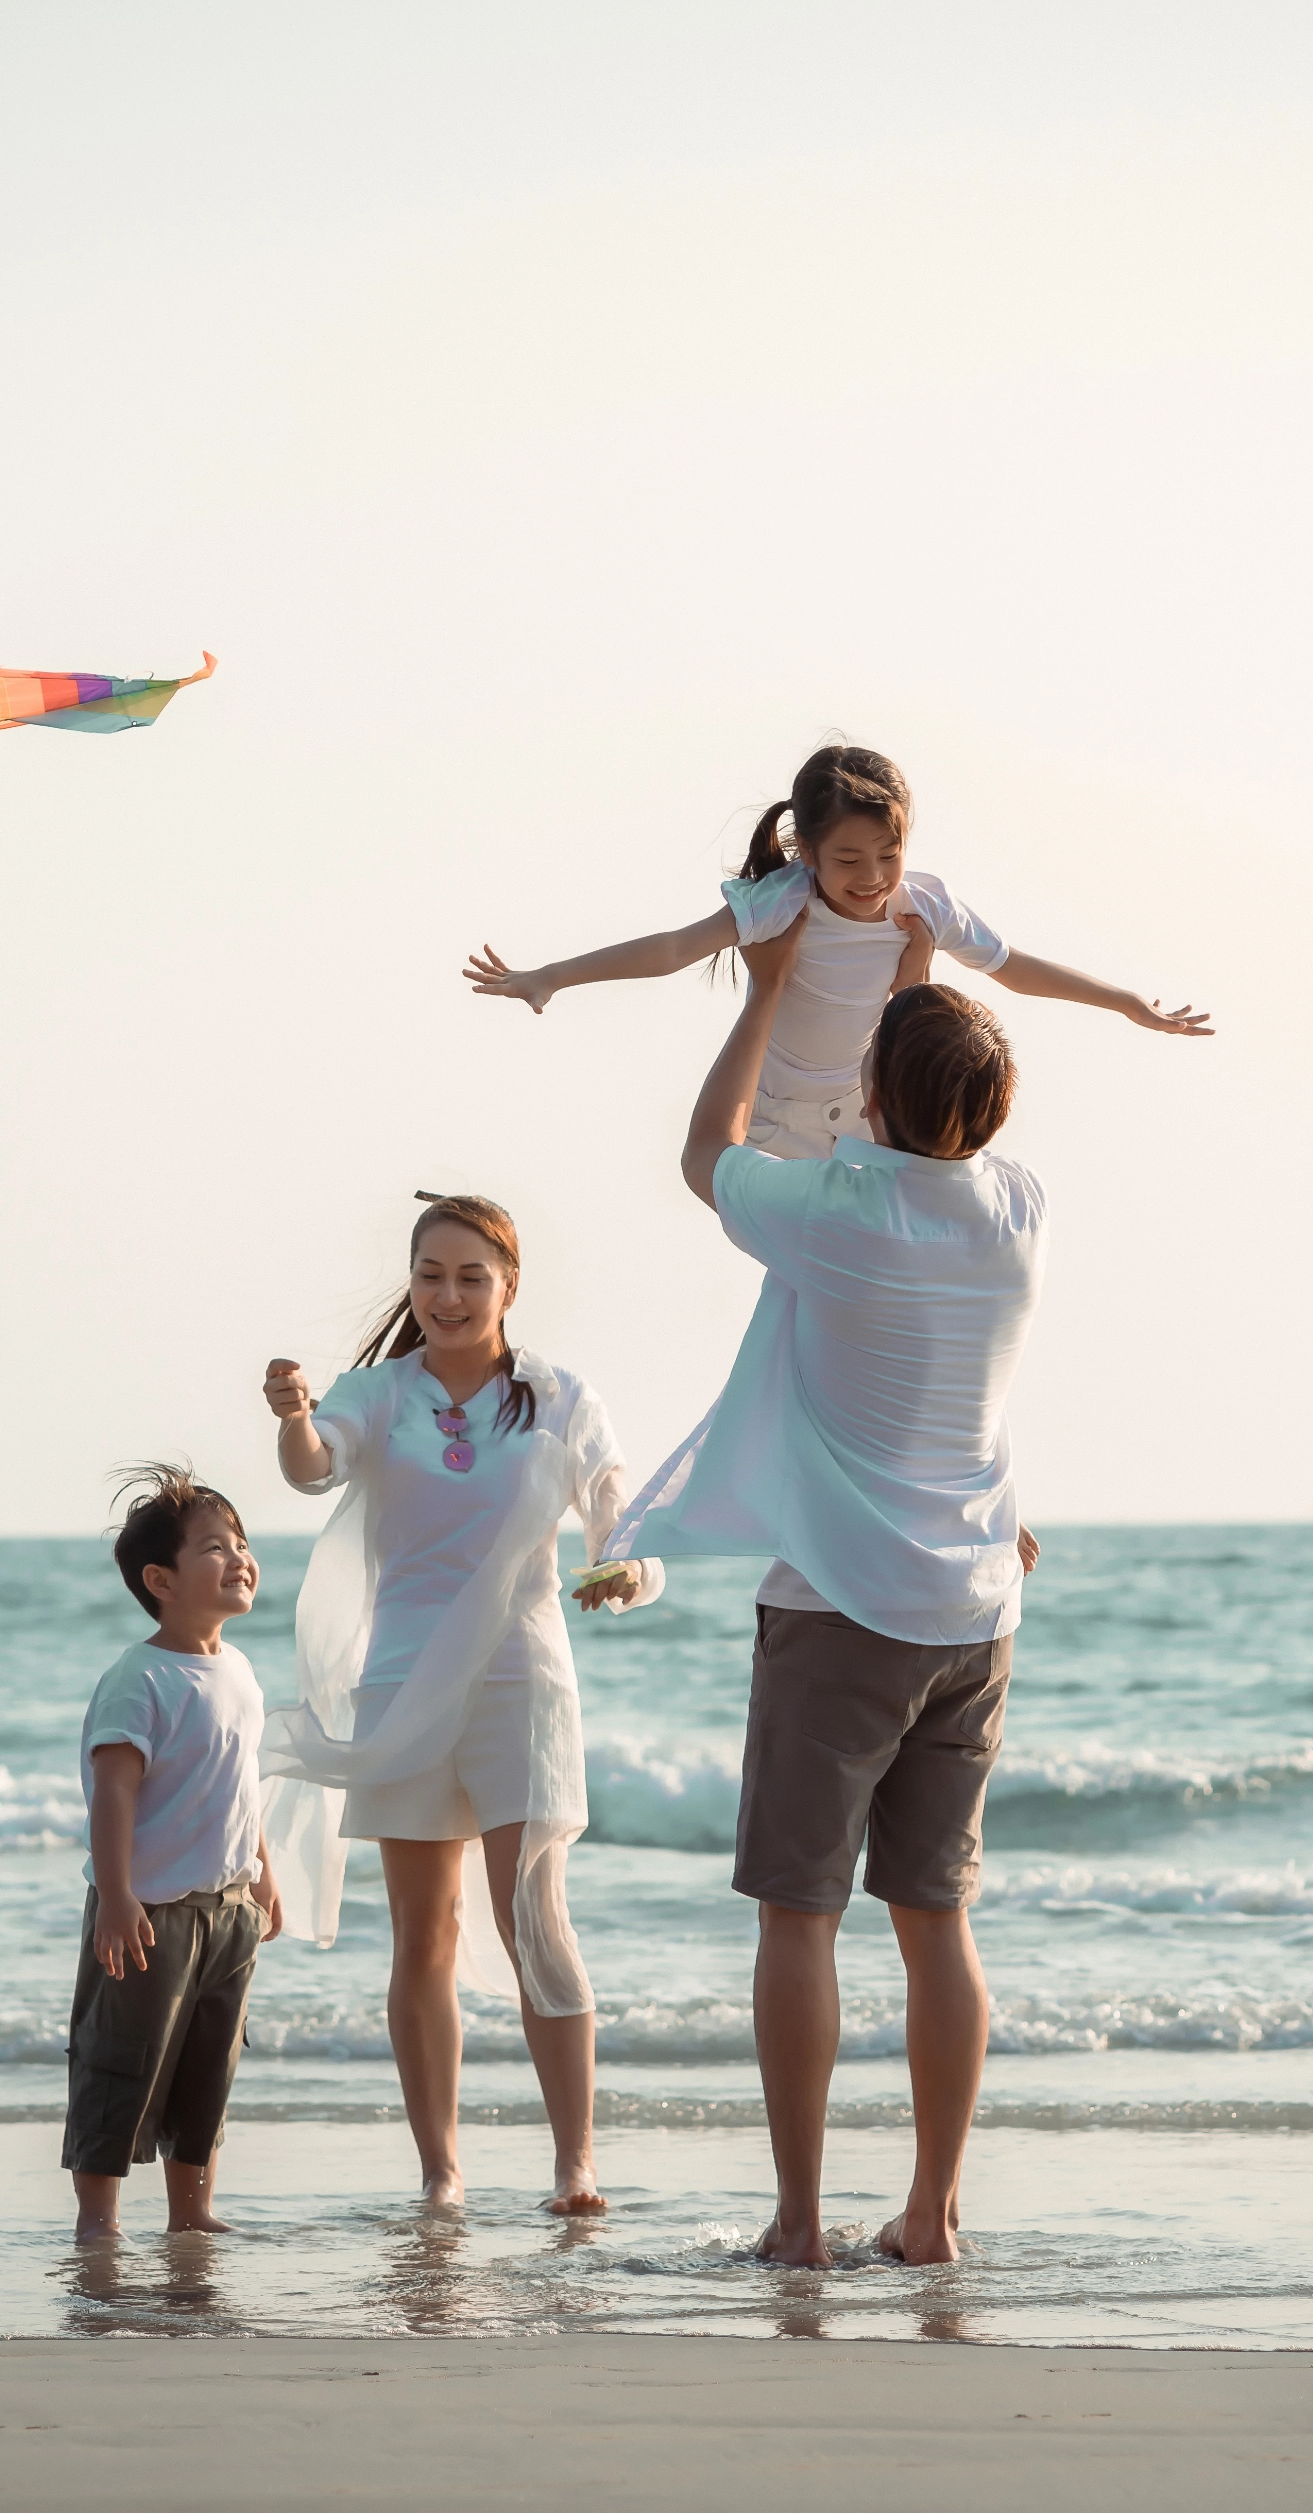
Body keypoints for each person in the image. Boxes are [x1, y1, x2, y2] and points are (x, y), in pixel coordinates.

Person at [606, 922, 1047, 2267]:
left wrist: (767, 990)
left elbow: (704, 1152)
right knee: (936, 1920)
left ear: (870, 1094)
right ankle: (934, 2217)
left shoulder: (832, 1216)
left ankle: (799, 2223)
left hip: (842, 1607)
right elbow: (932, 1101)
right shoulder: (1019, 1209)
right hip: (974, 1614)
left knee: (801, 1915)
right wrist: (910, 970)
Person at [257, 1193, 663, 2217]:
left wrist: (627, 1568)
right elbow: (314, 1470)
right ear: (412, 1283)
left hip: (523, 1678)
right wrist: (295, 1415)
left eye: (470, 1275)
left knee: (536, 1914)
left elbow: (620, 1511)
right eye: (430, 1274)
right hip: (398, 1681)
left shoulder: (558, 1394)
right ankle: (440, 2172)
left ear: (507, 1285)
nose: (447, 1294)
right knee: (421, 1933)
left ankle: (576, 2162)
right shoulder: (376, 1392)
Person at [462, 741, 1208, 1162]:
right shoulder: (784, 901)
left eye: (889, 854)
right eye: (849, 860)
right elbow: (672, 949)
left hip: (864, 1112)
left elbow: (1013, 968)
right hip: (775, 1113)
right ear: (808, 850)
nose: (873, 879)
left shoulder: (925, 904)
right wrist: (550, 976)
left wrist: (1124, 1003)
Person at [67, 1464, 288, 2242]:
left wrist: (262, 1872)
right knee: (121, 2062)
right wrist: (119, 1897)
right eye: (213, 1549)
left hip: (228, 1909)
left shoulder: (240, 1671)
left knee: (209, 2065)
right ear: (161, 1578)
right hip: (149, 1911)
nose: (238, 1559)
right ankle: (99, 2220)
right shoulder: (142, 1679)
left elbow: (241, 1782)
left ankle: (191, 2213)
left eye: (241, 1544)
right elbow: (115, 1793)